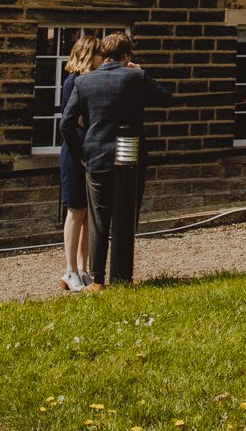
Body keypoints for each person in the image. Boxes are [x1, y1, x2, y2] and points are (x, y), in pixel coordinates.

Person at [61, 33, 173, 288]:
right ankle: (122, 277)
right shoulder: (135, 77)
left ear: (104, 53)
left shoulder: (85, 81)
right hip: (129, 155)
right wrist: (141, 71)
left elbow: (66, 124)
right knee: (125, 218)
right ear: (126, 55)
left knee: (98, 221)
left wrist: (82, 152)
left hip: (96, 158)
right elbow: (166, 98)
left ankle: (97, 280)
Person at [56, 34, 101, 291]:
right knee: (75, 210)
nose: (102, 60)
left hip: (88, 149)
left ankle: (82, 268)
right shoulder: (73, 82)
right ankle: (70, 269)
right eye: (98, 55)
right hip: (75, 151)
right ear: (87, 55)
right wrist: (81, 153)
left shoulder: (89, 80)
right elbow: (70, 123)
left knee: (87, 214)